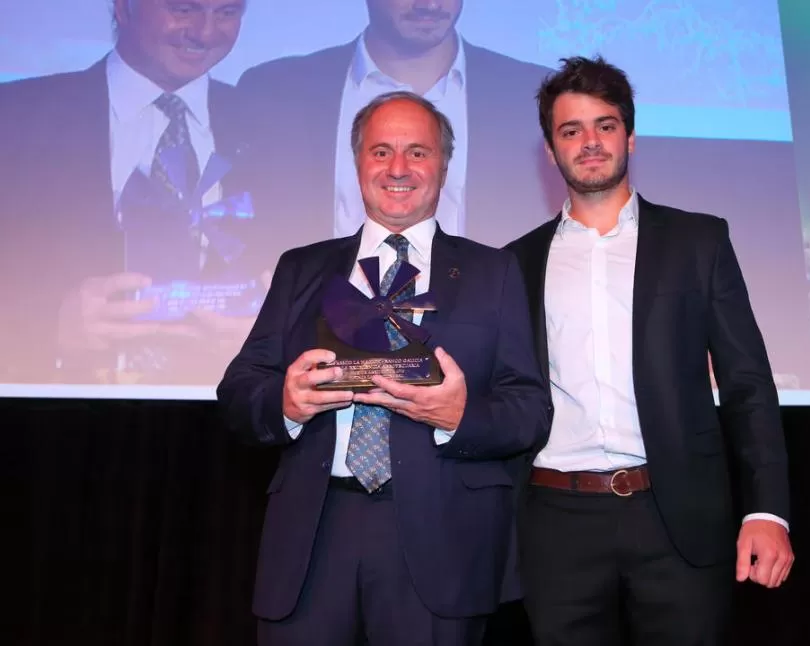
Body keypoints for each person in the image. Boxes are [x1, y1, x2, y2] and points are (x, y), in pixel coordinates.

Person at [216, 91, 551, 646]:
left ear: (443, 164)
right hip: (314, 537)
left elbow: (530, 411)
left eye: (417, 152)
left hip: (442, 541)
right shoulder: (302, 268)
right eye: (381, 151)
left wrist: (459, 416)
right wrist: (285, 403)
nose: (398, 168)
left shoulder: (494, 272)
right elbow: (238, 391)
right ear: (358, 164)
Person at [504, 56, 795, 645]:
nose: (590, 142)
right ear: (550, 150)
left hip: (676, 515)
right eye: (570, 130)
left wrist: (767, 511)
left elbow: (747, 384)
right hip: (555, 521)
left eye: (605, 125)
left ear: (630, 137)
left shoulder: (698, 241)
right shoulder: (513, 262)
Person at [0, 0, 252, 385]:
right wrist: (48, 326)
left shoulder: (267, 123)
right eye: (184, 9)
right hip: (54, 411)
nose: (204, 32)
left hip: (224, 417)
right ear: (123, 7)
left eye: (227, 13)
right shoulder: (15, 116)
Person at [230, 0, 559, 252]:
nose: (429, 3)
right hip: (316, 331)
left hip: (484, 332)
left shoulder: (529, 93)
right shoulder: (274, 91)